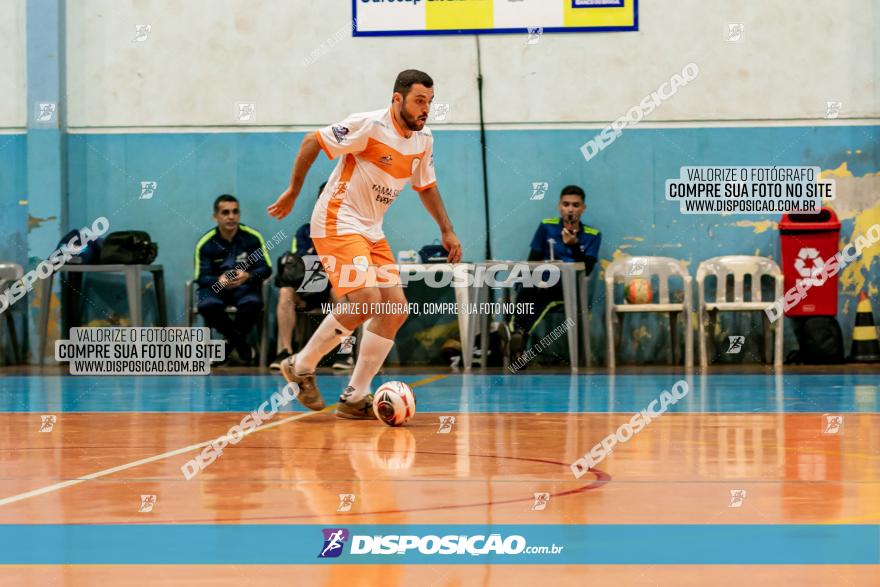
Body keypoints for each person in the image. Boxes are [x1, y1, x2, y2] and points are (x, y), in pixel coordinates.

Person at [267, 69, 462, 419]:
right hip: (337, 221)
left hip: (371, 229)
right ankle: (301, 364)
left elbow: (427, 186)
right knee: (366, 299)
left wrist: (446, 230)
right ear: (397, 98)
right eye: (419, 101)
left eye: (430, 102)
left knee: (395, 309)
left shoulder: (423, 140)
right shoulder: (369, 126)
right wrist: (294, 191)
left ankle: (355, 395)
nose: (425, 109)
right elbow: (313, 141)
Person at [508, 185, 601, 368]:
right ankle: (518, 336)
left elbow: (587, 269)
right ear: (559, 206)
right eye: (566, 204)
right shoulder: (546, 226)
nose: (570, 209)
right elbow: (532, 261)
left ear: (583, 208)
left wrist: (574, 246)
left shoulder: (592, 235)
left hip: (568, 288)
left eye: (575, 205)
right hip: (539, 282)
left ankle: (519, 332)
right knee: (527, 284)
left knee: (543, 292)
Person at [270, 182, 353, 371]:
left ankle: (345, 352)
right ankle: (285, 352)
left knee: (341, 293)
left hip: (332, 286)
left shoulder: (347, 231)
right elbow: (298, 265)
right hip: (308, 286)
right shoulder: (304, 232)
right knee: (285, 292)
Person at [195, 194, 271, 364]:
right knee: (206, 305)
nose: (231, 216)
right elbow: (201, 277)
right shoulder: (206, 243)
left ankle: (227, 346)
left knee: (253, 303)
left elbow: (265, 269)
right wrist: (219, 280)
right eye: (225, 212)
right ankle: (240, 344)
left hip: (244, 286)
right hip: (217, 288)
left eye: (235, 212)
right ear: (215, 216)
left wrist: (248, 275)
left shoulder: (252, 238)